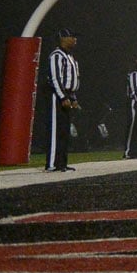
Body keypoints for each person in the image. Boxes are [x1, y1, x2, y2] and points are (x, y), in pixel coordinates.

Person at [45, 28, 81, 172]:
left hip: (67, 95)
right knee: (55, 131)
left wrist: (73, 97)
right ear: (63, 39)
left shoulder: (70, 57)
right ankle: (52, 163)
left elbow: (73, 80)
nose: (75, 40)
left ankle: (62, 162)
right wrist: (63, 96)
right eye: (72, 37)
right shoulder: (57, 55)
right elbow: (55, 78)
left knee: (64, 131)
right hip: (57, 96)